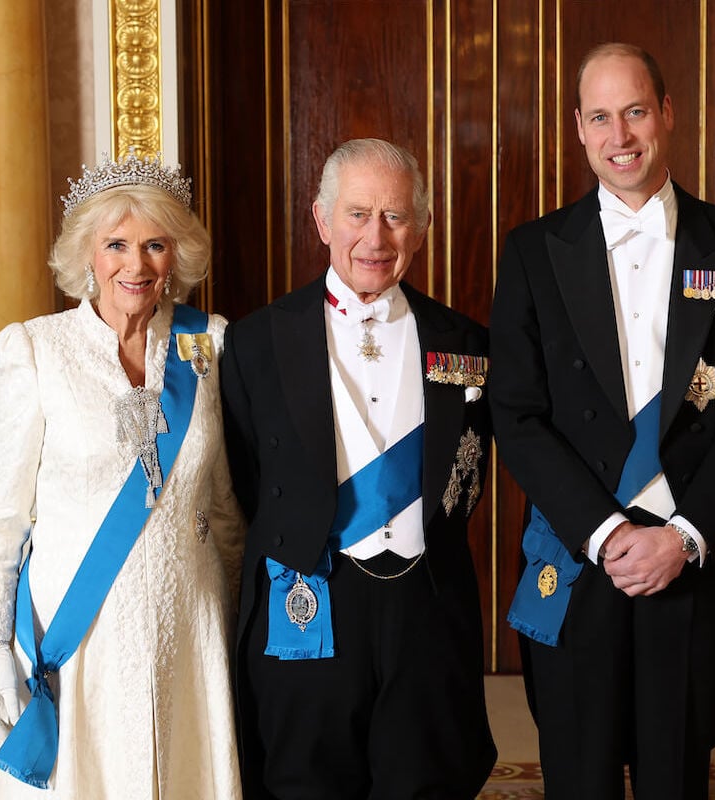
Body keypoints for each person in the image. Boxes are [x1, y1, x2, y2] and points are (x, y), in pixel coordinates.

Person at [490, 43, 715, 800]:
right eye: (600, 117)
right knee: (578, 779)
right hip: (580, 550)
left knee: (676, 778)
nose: (619, 135)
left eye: (634, 111)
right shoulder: (532, 251)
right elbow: (516, 412)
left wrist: (683, 535)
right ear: (579, 130)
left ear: (667, 114)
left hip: (691, 555)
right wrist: (609, 534)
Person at [222, 138, 496, 799]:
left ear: (424, 227)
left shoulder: (466, 344)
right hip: (308, 597)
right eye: (357, 214)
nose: (375, 237)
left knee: (424, 781)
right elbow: (242, 479)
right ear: (321, 220)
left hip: (425, 605)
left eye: (396, 216)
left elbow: (468, 476)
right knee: (305, 783)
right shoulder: (256, 340)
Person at [0, 152, 244, 798]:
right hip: (78, 632)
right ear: (86, 255)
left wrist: (234, 626)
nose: (137, 264)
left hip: (189, 625)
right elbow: (5, 517)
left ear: (178, 254)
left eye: (156, 244)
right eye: (116, 244)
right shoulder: (35, 349)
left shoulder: (210, 345)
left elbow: (225, 504)